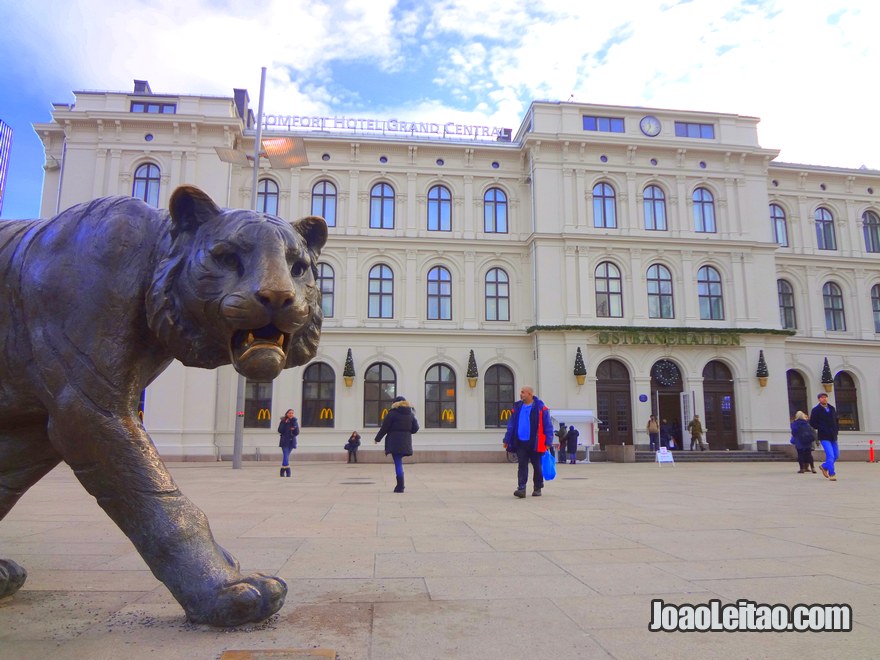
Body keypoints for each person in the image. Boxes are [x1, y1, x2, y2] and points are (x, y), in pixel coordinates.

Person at [502, 386, 552, 498]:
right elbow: (511, 425)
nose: (521, 394)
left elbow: (547, 425)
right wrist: (507, 439)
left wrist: (548, 441)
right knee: (522, 465)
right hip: (521, 442)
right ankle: (521, 488)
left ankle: (538, 487)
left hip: (535, 442)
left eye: (523, 392)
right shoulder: (518, 407)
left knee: (537, 466)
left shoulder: (540, 407)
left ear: (529, 394)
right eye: (521, 392)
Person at [374, 396, 419, 493]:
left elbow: (384, 428)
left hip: (394, 441)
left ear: (394, 403)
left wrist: (377, 439)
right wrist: (406, 431)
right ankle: (400, 485)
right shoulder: (410, 414)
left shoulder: (392, 414)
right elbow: (415, 428)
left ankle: (400, 486)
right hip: (406, 441)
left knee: (398, 462)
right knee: (399, 462)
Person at [810, 392, 840, 481]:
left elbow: (836, 420)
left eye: (825, 397)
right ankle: (832, 474)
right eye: (822, 398)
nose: (824, 399)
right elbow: (812, 423)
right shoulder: (816, 410)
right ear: (819, 399)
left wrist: (836, 429)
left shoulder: (832, 408)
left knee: (836, 455)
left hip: (833, 435)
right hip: (824, 436)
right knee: (830, 455)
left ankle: (824, 466)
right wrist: (821, 427)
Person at [277, 409, 299, 477]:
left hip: (292, 441)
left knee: (286, 456)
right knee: (286, 455)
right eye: (289, 413)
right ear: (287, 414)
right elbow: (280, 430)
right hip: (284, 441)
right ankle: (288, 470)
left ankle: (282, 470)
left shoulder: (295, 422)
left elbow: (297, 432)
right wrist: (284, 423)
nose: (291, 414)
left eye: (292, 413)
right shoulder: (283, 421)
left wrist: (294, 429)